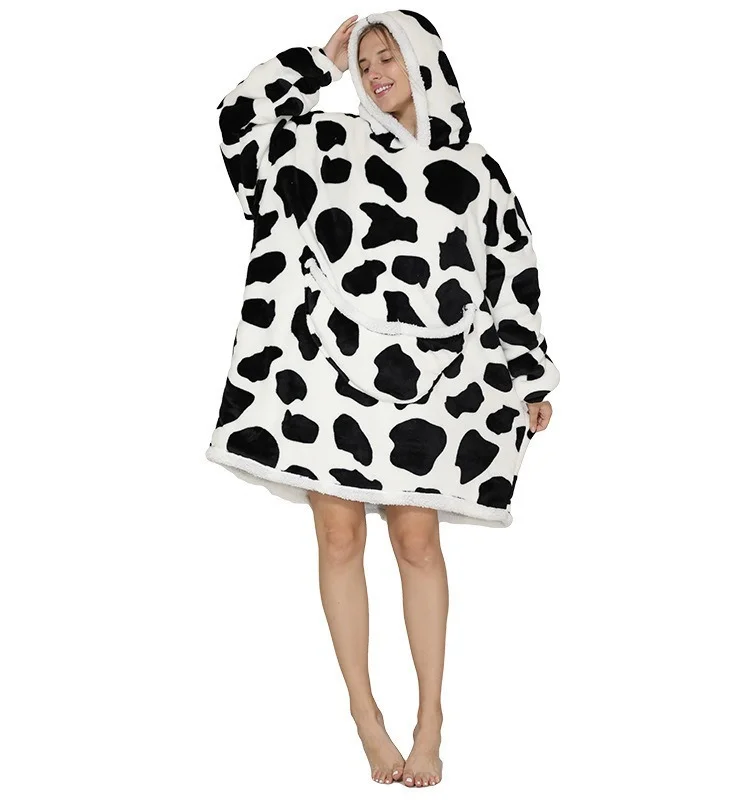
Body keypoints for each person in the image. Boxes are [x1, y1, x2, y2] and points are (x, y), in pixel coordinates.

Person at [206, 9, 561, 787]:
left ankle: (431, 719)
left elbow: (511, 271)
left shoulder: (474, 169)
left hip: (434, 387)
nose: (374, 73)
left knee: (417, 543)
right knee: (338, 540)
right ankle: (365, 716)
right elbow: (237, 121)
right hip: (326, 381)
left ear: (425, 60)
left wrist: (529, 373)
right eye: (364, 62)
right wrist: (316, 64)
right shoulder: (320, 144)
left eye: (386, 56)